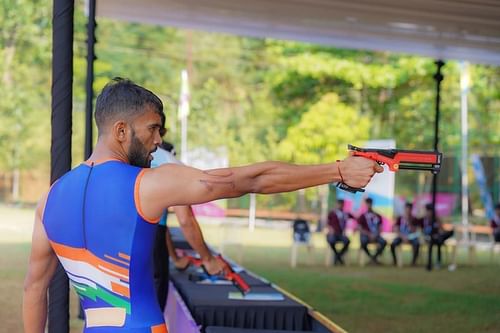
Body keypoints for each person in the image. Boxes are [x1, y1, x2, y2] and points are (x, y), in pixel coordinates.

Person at [22, 78, 382, 332]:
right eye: (153, 129)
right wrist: (337, 170)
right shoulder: (146, 186)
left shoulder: (50, 197)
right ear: (121, 130)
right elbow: (249, 180)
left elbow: (34, 289)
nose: (158, 141)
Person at [151, 140, 225, 312]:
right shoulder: (168, 162)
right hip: (151, 242)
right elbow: (185, 220)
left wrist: (175, 258)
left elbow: (162, 227)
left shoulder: (124, 157)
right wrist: (208, 260)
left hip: (122, 244)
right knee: (153, 309)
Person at [419, 203, 454, 270]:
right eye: (428, 211)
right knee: (438, 241)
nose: (429, 213)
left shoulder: (436, 219)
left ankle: (438, 262)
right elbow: (421, 231)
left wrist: (439, 225)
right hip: (428, 238)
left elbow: (441, 229)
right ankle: (435, 262)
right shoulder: (423, 220)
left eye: (430, 211)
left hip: (437, 238)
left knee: (441, 239)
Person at [358, 197, 387, 265]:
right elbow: (360, 228)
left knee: (384, 242)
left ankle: (373, 258)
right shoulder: (362, 216)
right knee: (363, 242)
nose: (369, 205)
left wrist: (375, 234)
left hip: (375, 235)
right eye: (368, 203)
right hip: (366, 235)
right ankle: (372, 258)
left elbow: (380, 228)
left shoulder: (377, 216)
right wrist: (369, 234)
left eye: (370, 203)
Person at [390, 202, 420, 266]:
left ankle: (413, 262)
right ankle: (395, 260)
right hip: (401, 236)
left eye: (409, 209)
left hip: (411, 237)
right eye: (407, 209)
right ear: (404, 209)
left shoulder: (414, 219)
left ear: (411, 209)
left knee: (417, 244)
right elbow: (396, 230)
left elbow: (415, 230)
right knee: (393, 244)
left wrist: (409, 222)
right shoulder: (400, 218)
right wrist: (402, 236)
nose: (408, 211)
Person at [326, 199, 353, 265]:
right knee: (331, 241)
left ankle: (338, 256)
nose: (340, 206)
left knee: (347, 241)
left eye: (341, 204)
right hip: (333, 233)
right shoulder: (332, 213)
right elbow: (327, 223)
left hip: (341, 234)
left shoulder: (345, 213)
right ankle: (338, 256)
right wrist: (330, 229)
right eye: (339, 204)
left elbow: (354, 217)